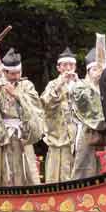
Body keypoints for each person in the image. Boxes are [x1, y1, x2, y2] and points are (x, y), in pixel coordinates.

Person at [0, 48, 44, 186]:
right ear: (5, 72)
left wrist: (17, 95)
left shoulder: (27, 85)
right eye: (12, 73)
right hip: (4, 132)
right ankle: (4, 190)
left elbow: (35, 106)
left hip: (22, 132)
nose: (16, 76)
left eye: (18, 72)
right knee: (3, 166)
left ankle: (28, 189)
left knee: (26, 165)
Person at [40, 48, 80, 183]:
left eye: (71, 65)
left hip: (77, 132)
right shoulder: (52, 84)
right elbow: (44, 103)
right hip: (57, 132)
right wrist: (59, 85)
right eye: (65, 65)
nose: (68, 68)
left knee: (76, 166)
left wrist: (79, 85)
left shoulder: (80, 84)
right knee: (55, 167)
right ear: (58, 67)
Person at [70, 47, 106, 179]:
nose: (98, 72)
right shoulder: (80, 87)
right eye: (94, 69)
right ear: (88, 71)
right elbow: (86, 110)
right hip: (88, 132)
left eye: (100, 69)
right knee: (84, 167)